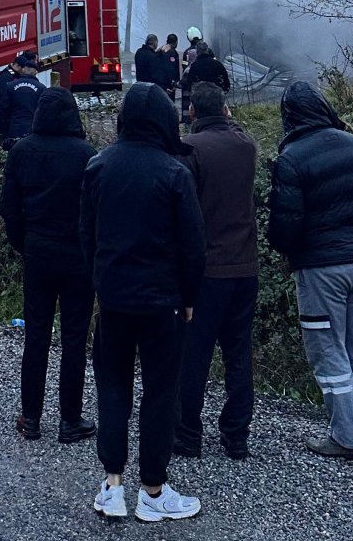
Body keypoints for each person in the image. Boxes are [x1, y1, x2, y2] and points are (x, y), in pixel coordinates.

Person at [81, 82, 206, 522]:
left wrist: (100, 283)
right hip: (163, 303)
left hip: (113, 300)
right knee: (159, 392)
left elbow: (87, 236)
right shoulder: (174, 173)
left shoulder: (99, 166)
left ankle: (112, 484)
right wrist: (189, 298)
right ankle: (153, 490)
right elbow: (194, 247)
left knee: (113, 387)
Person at [267, 81, 353, 461]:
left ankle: (346, 439)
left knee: (329, 351)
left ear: (289, 116)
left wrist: (293, 248)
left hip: (322, 270)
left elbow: (285, 229)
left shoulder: (291, 157)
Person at [0, 87, 98, 444]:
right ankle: (70, 420)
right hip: (77, 257)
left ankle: (31, 417)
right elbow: (95, 212)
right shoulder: (87, 155)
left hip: (38, 252)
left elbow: (9, 207)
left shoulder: (23, 151)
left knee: (36, 335)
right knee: (73, 337)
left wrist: (22, 243)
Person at [173, 82, 260, 461]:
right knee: (239, 353)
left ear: (192, 112)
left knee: (195, 355)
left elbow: (184, 214)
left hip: (208, 269)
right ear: (225, 110)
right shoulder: (246, 145)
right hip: (246, 266)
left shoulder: (191, 151)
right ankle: (236, 436)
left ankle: (188, 434)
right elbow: (237, 129)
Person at [0, 54, 45, 149]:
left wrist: (4, 132)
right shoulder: (41, 88)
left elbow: (3, 110)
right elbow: (44, 112)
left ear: (23, 70)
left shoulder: (10, 86)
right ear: (36, 72)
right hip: (33, 131)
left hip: (14, 130)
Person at [0, 53, 33, 145]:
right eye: (23, 68)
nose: (24, 71)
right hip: (4, 118)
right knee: (5, 141)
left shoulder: (13, 75)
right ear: (18, 66)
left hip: (9, 116)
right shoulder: (6, 77)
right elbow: (4, 99)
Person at [181, 27, 203, 116]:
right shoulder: (206, 51)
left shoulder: (187, 52)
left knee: (187, 101)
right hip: (202, 80)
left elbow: (184, 65)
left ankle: (187, 120)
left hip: (189, 81)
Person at [158, 33, 182, 101]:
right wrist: (174, 82)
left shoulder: (161, 51)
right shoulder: (172, 53)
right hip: (169, 84)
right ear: (176, 42)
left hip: (161, 82)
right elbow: (171, 69)